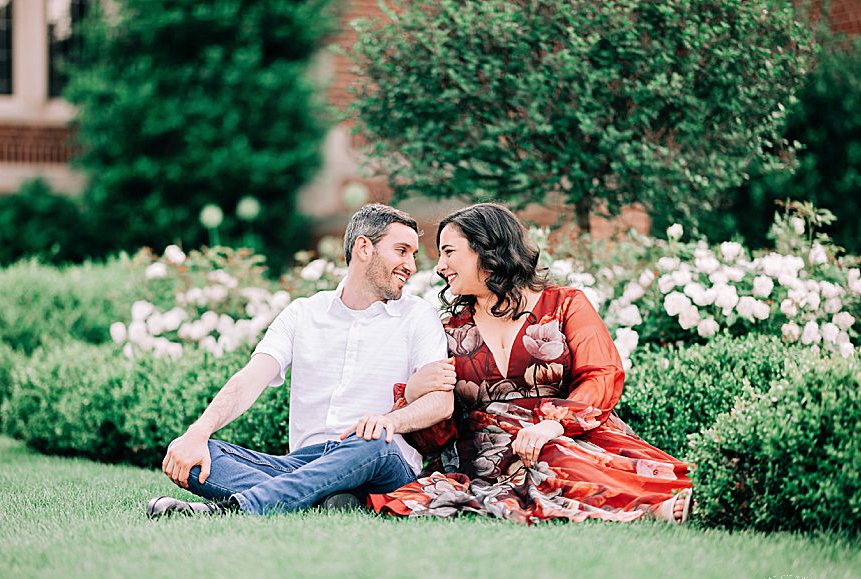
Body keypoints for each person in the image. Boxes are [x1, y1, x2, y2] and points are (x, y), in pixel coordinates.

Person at [367, 203, 693, 525]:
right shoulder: (449, 328)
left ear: (487, 248)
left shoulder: (566, 304)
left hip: (568, 433)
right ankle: (651, 507)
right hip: (488, 455)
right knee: (548, 458)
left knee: (556, 453)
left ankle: (658, 502)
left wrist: (553, 425)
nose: (440, 267)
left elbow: (601, 374)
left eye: (449, 252)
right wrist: (413, 392)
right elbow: (438, 430)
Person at [146, 203, 452, 517]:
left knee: (375, 443)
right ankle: (326, 499)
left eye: (413, 255)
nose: (410, 265)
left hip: (379, 461)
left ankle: (235, 508)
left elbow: (441, 402)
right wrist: (197, 433)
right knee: (202, 453)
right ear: (364, 248)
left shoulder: (419, 316)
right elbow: (250, 379)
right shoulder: (303, 313)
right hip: (303, 464)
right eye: (401, 251)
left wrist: (391, 421)